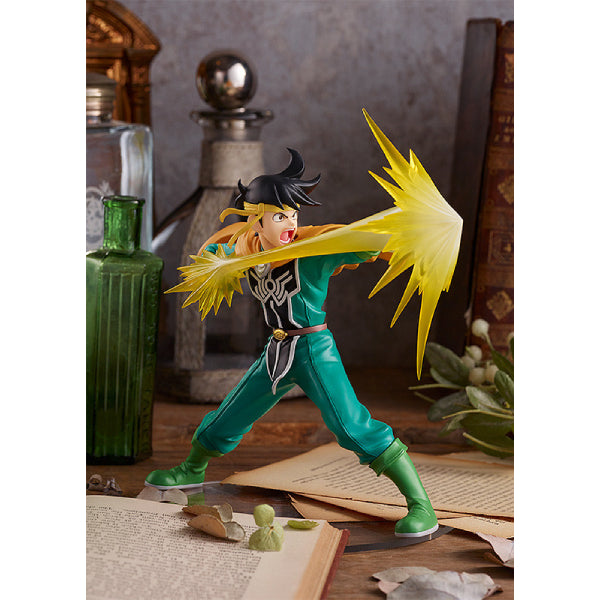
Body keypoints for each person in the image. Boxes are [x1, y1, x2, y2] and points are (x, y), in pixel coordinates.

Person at [145, 149, 438, 537]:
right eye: (280, 216)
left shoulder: (313, 251)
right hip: (277, 350)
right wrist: (216, 262)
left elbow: (363, 242)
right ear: (257, 220)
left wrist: (404, 231)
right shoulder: (249, 250)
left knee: (352, 427)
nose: (290, 223)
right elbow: (215, 255)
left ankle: (421, 505)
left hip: (314, 350)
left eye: (294, 215)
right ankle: (191, 469)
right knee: (231, 414)